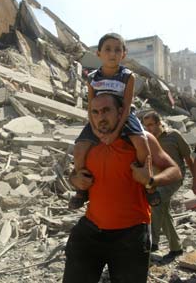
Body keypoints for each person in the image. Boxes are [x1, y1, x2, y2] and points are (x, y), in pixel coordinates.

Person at [63, 93, 181, 283]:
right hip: (92, 230)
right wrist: (75, 180)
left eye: (106, 110)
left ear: (120, 112)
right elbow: (75, 175)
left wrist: (151, 180)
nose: (101, 117)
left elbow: (175, 171)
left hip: (131, 234)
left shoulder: (142, 139)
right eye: (95, 112)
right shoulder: (87, 143)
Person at [70, 33, 152, 209]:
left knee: (142, 142)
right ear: (98, 53)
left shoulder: (128, 76)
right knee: (79, 148)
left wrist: (115, 132)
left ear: (124, 54)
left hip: (123, 116)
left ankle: (148, 186)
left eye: (117, 50)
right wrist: (95, 128)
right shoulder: (92, 77)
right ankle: (81, 189)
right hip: (99, 117)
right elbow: (90, 105)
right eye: (107, 49)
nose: (112, 53)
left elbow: (127, 105)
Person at [142, 111, 195, 261]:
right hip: (158, 179)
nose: (149, 128)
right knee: (164, 211)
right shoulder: (147, 139)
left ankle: (153, 242)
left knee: (156, 201)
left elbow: (188, 158)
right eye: (146, 126)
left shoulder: (174, 135)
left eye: (151, 124)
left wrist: (195, 181)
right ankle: (176, 248)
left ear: (159, 123)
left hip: (175, 178)